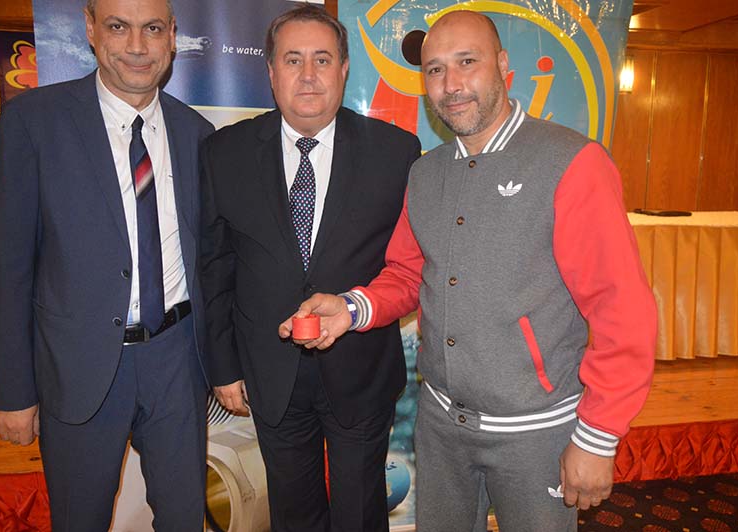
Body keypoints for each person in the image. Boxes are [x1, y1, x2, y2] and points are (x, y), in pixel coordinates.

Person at [279, 9, 657, 532]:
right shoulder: (425, 173)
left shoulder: (572, 163)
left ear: (502, 65)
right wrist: (350, 308)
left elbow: (622, 311)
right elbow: (407, 275)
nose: (451, 84)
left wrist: (598, 436)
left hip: (536, 433)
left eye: (466, 62)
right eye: (435, 69)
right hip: (441, 428)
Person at [0, 0, 214, 529]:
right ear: (90, 29)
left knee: (185, 520)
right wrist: (14, 393)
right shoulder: (33, 122)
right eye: (118, 27)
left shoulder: (197, 133)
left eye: (151, 28)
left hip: (178, 362)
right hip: (77, 366)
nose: (137, 46)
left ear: (172, 36)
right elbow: (10, 268)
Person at [199, 5, 420, 532]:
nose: (308, 75)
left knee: (361, 514)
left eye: (322, 59)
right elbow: (215, 266)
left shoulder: (396, 153)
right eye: (292, 59)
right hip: (269, 373)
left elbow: (407, 266)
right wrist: (223, 368)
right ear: (270, 71)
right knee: (293, 515)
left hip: (361, 370)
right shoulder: (224, 152)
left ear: (344, 69)